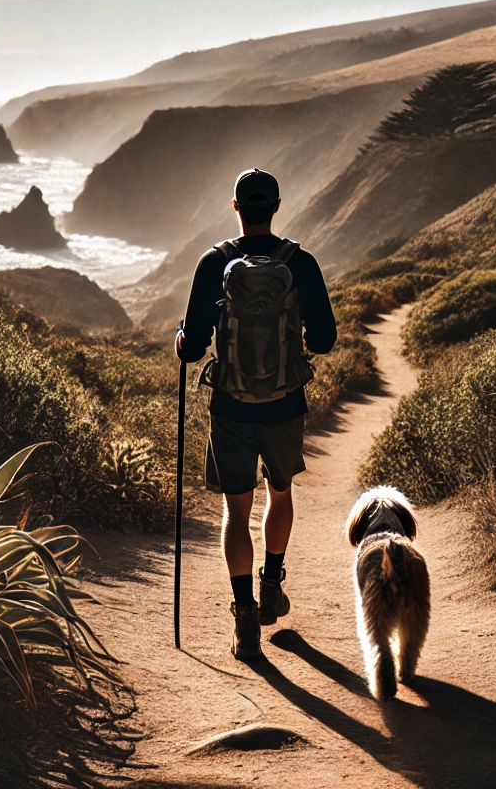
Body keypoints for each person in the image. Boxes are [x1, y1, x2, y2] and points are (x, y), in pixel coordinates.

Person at [175, 168, 337, 659]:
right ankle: (272, 585)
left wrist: (183, 340)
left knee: (235, 511)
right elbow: (325, 340)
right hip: (285, 404)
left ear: (236, 207)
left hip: (231, 407)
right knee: (280, 492)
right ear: (277, 207)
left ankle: (244, 617)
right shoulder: (300, 263)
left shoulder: (214, 262)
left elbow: (193, 348)